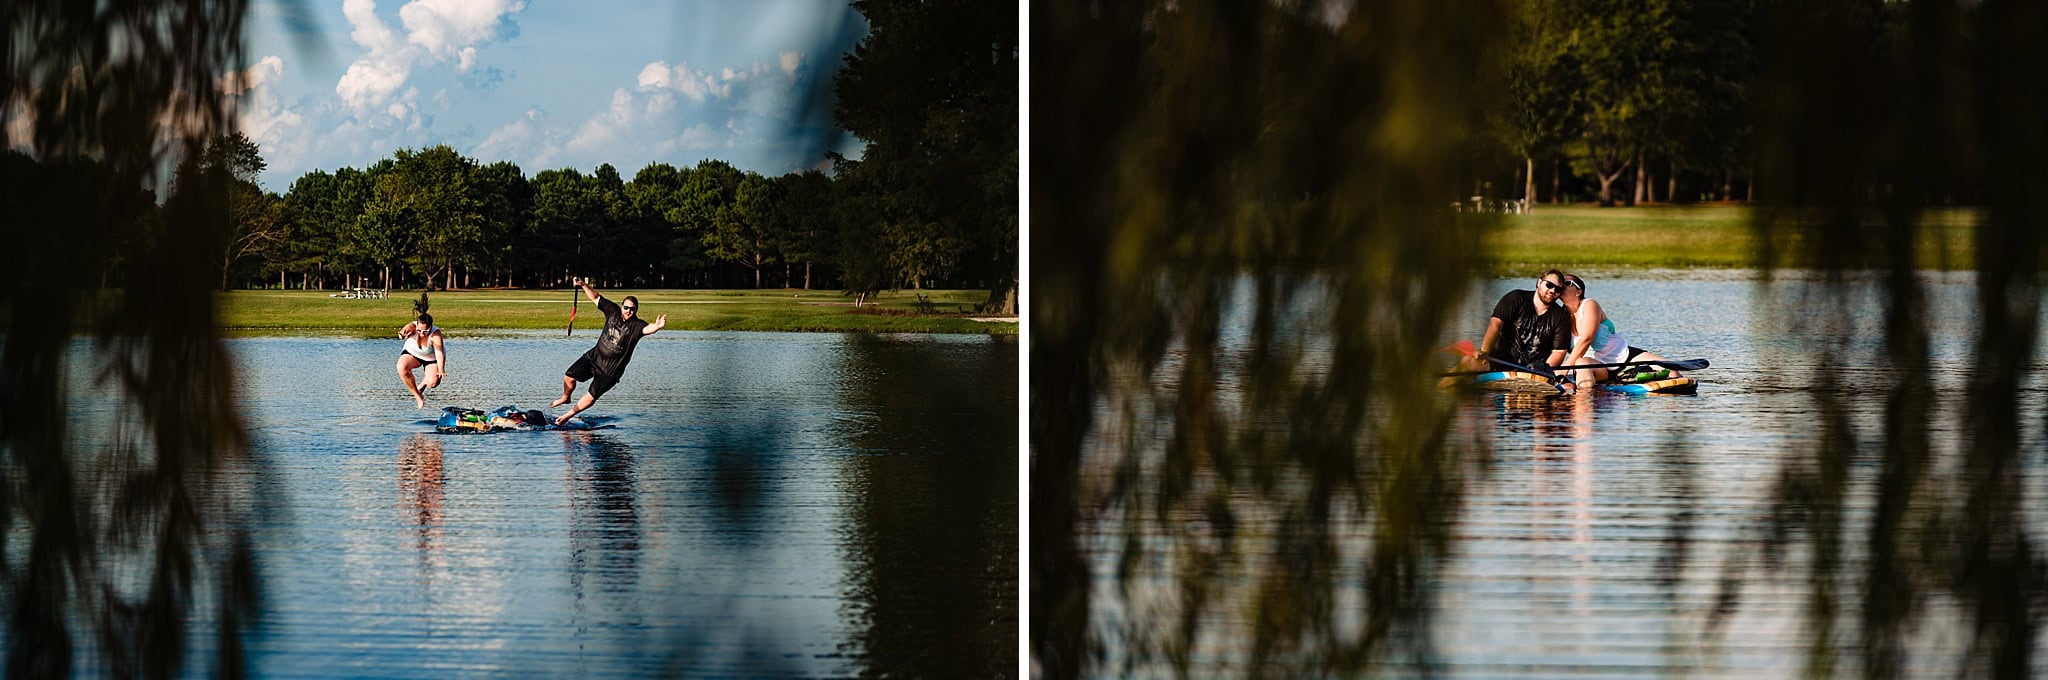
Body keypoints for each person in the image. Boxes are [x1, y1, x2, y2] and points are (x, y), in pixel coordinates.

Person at [550, 278, 667, 424]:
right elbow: (595, 297)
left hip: (610, 371)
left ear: (636, 310)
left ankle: (567, 415)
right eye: (626, 307)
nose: (628, 311)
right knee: (568, 376)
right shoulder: (612, 311)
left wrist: (656, 326)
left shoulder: (637, 325)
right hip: (594, 357)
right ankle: (565, 397)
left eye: (632, 309)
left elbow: (647, 329)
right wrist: (582, 285)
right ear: (622, 306)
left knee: (591, 395)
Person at [1448, 269, 1576, 391]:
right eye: (1549, 285)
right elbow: (1495, 325)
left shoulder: (1561, 316)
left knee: (1569, 388)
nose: (1552, 290)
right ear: (1539, 282)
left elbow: (1559, 352)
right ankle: (1438, 394)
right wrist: (1485, 351)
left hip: (1533, 371)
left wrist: (1540, 372)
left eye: (1558, 289)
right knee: (1468, 362)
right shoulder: (1515, 298)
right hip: (1499, 363)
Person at [1557, 273, 1679, 388]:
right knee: (1582, 363)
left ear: (1579, 291)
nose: (1562, 286)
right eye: (1561, 283)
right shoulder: (1560, 316)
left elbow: (1587, 338)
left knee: (1672, 371)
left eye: (1567, 283)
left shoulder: (1589, 304)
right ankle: (1585, 400)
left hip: (1623, 356)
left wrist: (1564, 368)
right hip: (1597, 366)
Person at [397, 293, 447, 409]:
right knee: (401, 367)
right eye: (419, 330)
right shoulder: (413, 326)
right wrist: (402, 335)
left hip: (431, 358)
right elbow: (402, 333)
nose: (421, 333)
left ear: (430, 327)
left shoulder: (435, 334)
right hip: (413, 354)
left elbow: (439, 353)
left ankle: (424, 383)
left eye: (425, 331)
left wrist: (441, 369)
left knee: (433, 383)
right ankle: (418, 396)